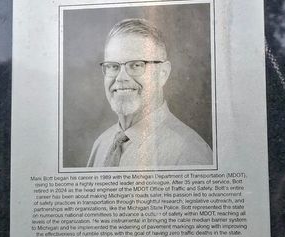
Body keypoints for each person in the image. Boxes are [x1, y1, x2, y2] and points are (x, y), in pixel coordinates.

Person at [87, 17, 213, 168]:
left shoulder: (188, 153)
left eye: (136, 65)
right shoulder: (101, 144)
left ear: (163, 73)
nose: (121, 78)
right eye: (113, 66)